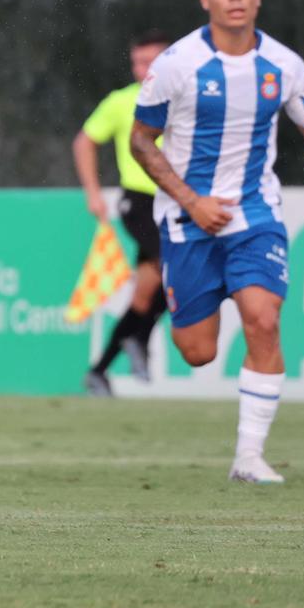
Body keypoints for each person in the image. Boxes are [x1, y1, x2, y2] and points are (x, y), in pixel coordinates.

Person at [130, 0, 304, 484]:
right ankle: (202, 296)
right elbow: (140, 142)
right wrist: (191, 201)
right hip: (187, 220)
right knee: (198, 351)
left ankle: (249, 459)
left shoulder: (283, 65)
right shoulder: (177, 65)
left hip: (256, 215)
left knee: (264, 318)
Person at [73, 30, 171, 396]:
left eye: (149, 62)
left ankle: (99, 370)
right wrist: (93, 193)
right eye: (136, 62)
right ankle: (140, 338)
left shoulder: (182, 99)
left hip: (175, 202)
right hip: (139, 202)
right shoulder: (121, 102)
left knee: (145, 295)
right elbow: (85, 141)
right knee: (172, 268)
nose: (141, 70)